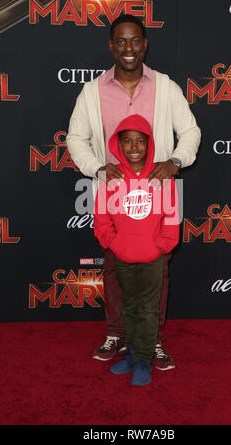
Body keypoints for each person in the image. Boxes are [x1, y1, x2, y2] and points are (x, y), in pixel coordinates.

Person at [66, 14, 201, 370]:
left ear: (145, 44)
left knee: (158, 273)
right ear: (111, 46)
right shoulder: (92, 92)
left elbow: (190, 132)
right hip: (113, 198)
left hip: (158, 197)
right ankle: (116, 334)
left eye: (135, 41)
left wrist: (175, 161)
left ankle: (153, 341)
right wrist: (96, 167)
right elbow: (75, 139)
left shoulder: (166, 88)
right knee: (114, 270)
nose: (129, 48)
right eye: (121, 41)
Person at [94, 114, 179, 386]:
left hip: (153, 258)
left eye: (140, 141)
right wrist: (115, 244)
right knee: (128, 305)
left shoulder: (161, 176)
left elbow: (171, 216)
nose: (134, 147)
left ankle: (144, 359)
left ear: (149, 143)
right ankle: (130, 352)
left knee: (149, 309)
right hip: (123, 256)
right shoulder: (112, 176)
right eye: (128, 141)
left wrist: (161, 246)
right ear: (118, 144)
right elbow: (101, 217)